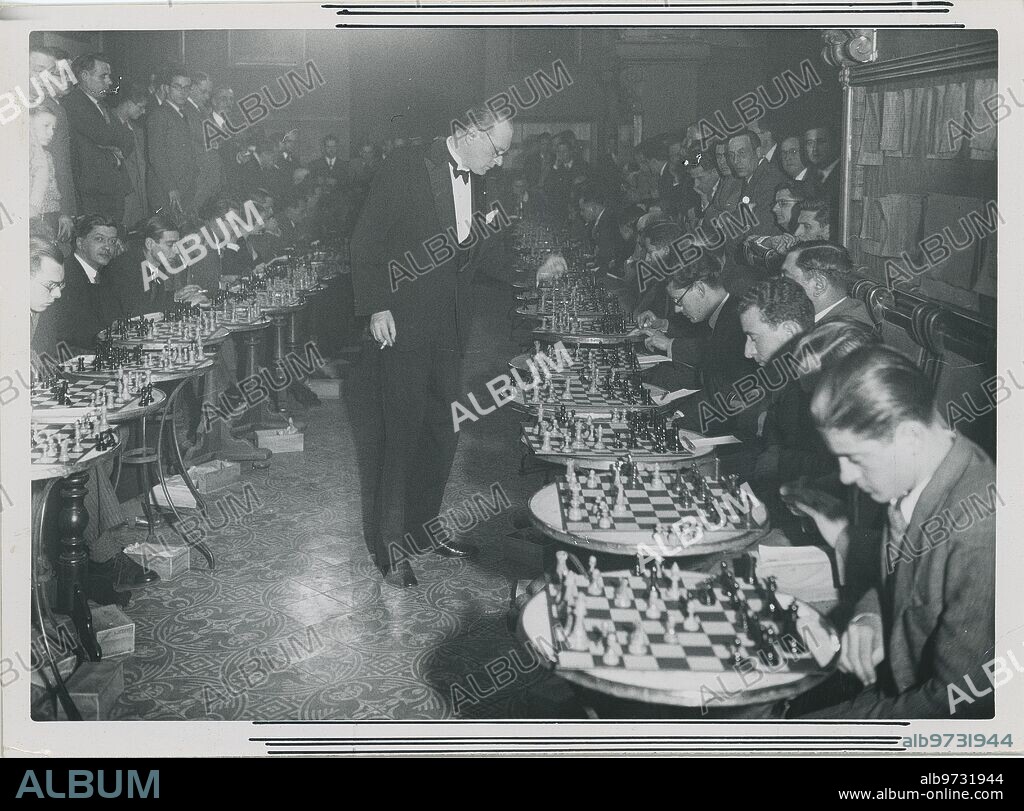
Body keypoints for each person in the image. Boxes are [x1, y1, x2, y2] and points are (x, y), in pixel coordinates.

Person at [351, 103, 512, 588]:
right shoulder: (406, 165)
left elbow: (475, 251)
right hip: (402, 324)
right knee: (398, 436)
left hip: (452, 328)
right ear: (469, 132)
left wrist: (530, 270)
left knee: (443, 431)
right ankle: (391, 548)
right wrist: (377, 306)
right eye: (497, 150)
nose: (500, 162)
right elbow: (365, 241)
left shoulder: (480, 177)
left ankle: (424, 531)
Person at [787, 346, 995, 718]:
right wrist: (870, 617)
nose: (846, 476)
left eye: (855, 458)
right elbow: (902, 581)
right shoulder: (914, 473)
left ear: (911, 437)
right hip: (896, 690)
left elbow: (957, 702)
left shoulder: (979, 532)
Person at [63, 53, 133, 220]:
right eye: (104, 76)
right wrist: (111, 142)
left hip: (111, 189)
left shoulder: (103, 104)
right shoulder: (73, 102)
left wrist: (110, 144)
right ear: (85, 76)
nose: (109, 81)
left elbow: (128, 141)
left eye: (109, 76)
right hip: (92, 193)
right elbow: (103, 136)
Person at [41, 214, 124, 355]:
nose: (107, 247)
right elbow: (56, 342)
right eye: (99, 239)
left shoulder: (106, 275)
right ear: (80, 243)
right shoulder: (62, 276)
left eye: (112, 241)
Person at [29, 45, 77, 241]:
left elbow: (59, 162)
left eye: (48, 73)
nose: (44, 79)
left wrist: (65, 209)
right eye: (38, 71)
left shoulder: (47, 108)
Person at [782, 242, 874, 326]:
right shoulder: (821, 316)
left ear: (818, 285)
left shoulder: (843, 334)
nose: (779, 284)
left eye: (787, 278)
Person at [147, 65, 197, 219]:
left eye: (187, 87)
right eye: (177, 87)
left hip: (185, 186)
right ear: (166, 88)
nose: (183, 92)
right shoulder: (159, 115)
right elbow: (156, 155)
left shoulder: (187, 113)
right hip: (166, 190)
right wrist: (171, 188)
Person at [725, 128, 788, 238]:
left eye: (742, 153)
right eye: (731, 155)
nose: (735, 161)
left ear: (758, 152)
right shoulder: (751, 176)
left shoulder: (770, 180)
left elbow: (762, 231)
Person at [112, 82, 150, 230]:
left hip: (138, 197)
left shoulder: (137, 130)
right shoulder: (107, 122)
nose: (143, 111)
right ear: (127, 102)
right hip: (120, 197)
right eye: (140, 106)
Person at [577, 183, 626, 273]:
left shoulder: (608, 220)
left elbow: (608, 253)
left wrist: (598, 268)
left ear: (594, 208)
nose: (581, 214)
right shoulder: (603, 219)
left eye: (583, 209)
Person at [29, 107, 61, 227]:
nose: (51, 133)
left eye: (53, 128)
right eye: (46, 126)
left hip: (46, 218)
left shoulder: (47, 157)